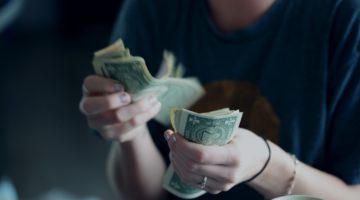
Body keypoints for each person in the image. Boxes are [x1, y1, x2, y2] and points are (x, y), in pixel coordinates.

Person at [79, 0, 360, 199]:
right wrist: (131, 133)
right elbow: (143, 196)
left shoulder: (347, 18)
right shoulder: (152, 7)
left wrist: (267, 166)